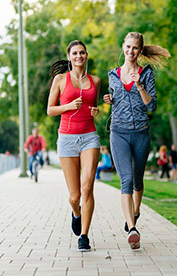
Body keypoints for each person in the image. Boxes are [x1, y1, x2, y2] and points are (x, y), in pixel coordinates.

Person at [103, 32, 170, 250]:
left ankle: (136, 211)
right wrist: (110, 100)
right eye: (128, 47)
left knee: (138, 182)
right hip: (118, 133)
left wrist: (140, 85)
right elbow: (117, 102)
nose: (130, 51)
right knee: (127, 180)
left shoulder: (147, 74)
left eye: (135, 48)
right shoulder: (113, 75)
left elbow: (151, 106)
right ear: (123, 46)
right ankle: (132, 229)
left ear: (140, 51)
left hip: (141, 133)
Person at [47, 40, 101, 252]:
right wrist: (68, 106)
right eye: (75, 53)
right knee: (74, 196)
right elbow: (50, 110)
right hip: (67, 139)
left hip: (89, 136)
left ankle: (85, 236)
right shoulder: (61, 80)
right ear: (69, 57)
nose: (79, 56)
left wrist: (95, 111)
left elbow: (93, 107)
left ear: (86, 55)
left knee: (88, 187)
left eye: (82, 53)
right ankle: (76, 213)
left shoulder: (95, 80)